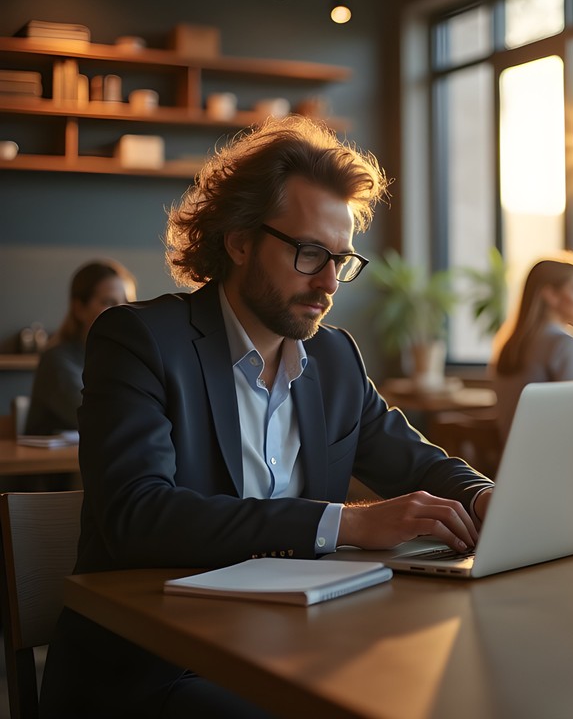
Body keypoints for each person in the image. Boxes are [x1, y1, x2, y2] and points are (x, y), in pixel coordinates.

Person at [39, 115, 494, 718]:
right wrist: (347, 524)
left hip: (297, 651)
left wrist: (486, 499)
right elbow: (136, 514)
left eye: (342, 258)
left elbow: (416, 463)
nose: (330, 281)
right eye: (310, 253)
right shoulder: (140, 339)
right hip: (154, 671)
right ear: (239, 240)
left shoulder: (335, 358)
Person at [23, 259, 136, 435]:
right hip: (56, 462)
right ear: (79, 309)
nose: (122, 311)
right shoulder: (56, 361)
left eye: (126, 302)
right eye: (109, 302)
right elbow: (99, 417)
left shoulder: (120, 360)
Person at [490, 254, 573, 442]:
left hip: (513, 465)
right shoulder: (564, 343)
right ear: (550, 294)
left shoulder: (509, 344)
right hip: (553, 463)